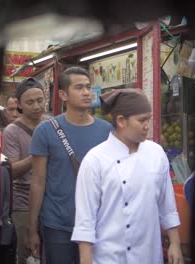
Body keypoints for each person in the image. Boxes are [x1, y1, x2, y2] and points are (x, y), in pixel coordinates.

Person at [71, 88, 183, 264]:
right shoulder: (95, 160)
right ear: (121, 121)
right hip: (108, 257)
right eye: (141, 120)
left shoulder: (156, 153)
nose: (147, 125)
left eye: (149, 119)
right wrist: (86, 259)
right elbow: (85, 219)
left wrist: (175, 243)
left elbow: (166, 205)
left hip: (148, 255)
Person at [28, 66, 112, 264]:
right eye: (79, 87)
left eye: (88, 87)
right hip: (58, 225)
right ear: (63, 95)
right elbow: (38, 182)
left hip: (98, 224)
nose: (86, 92)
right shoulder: (46, 131)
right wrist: (32, 229)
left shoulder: (107, 131)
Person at [2, 77, 48, 264]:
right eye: (30, 102)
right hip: (23, 203)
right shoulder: (11, 132)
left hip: (51, 201)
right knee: (27, 254)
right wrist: (38, 155)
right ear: (19, 104)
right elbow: (11, 171)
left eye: (40, 100)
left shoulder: (52, 124)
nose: (36, 106)